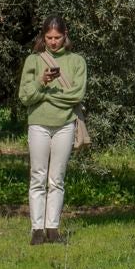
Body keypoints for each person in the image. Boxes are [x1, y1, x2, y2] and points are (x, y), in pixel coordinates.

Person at [16, 19, 88, 245]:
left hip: (65, 125)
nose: (53, 42)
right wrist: (41, 82)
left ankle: (53, 229)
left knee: (57, 178)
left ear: (65, 34)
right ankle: (37, 230)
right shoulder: (33, 60)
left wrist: (45, 96)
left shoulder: (76, 61)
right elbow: (25, 96)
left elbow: (77, 95)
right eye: (49, 38)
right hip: (38, 124)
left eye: (57, 37)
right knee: (38, 176)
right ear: (43, 37)